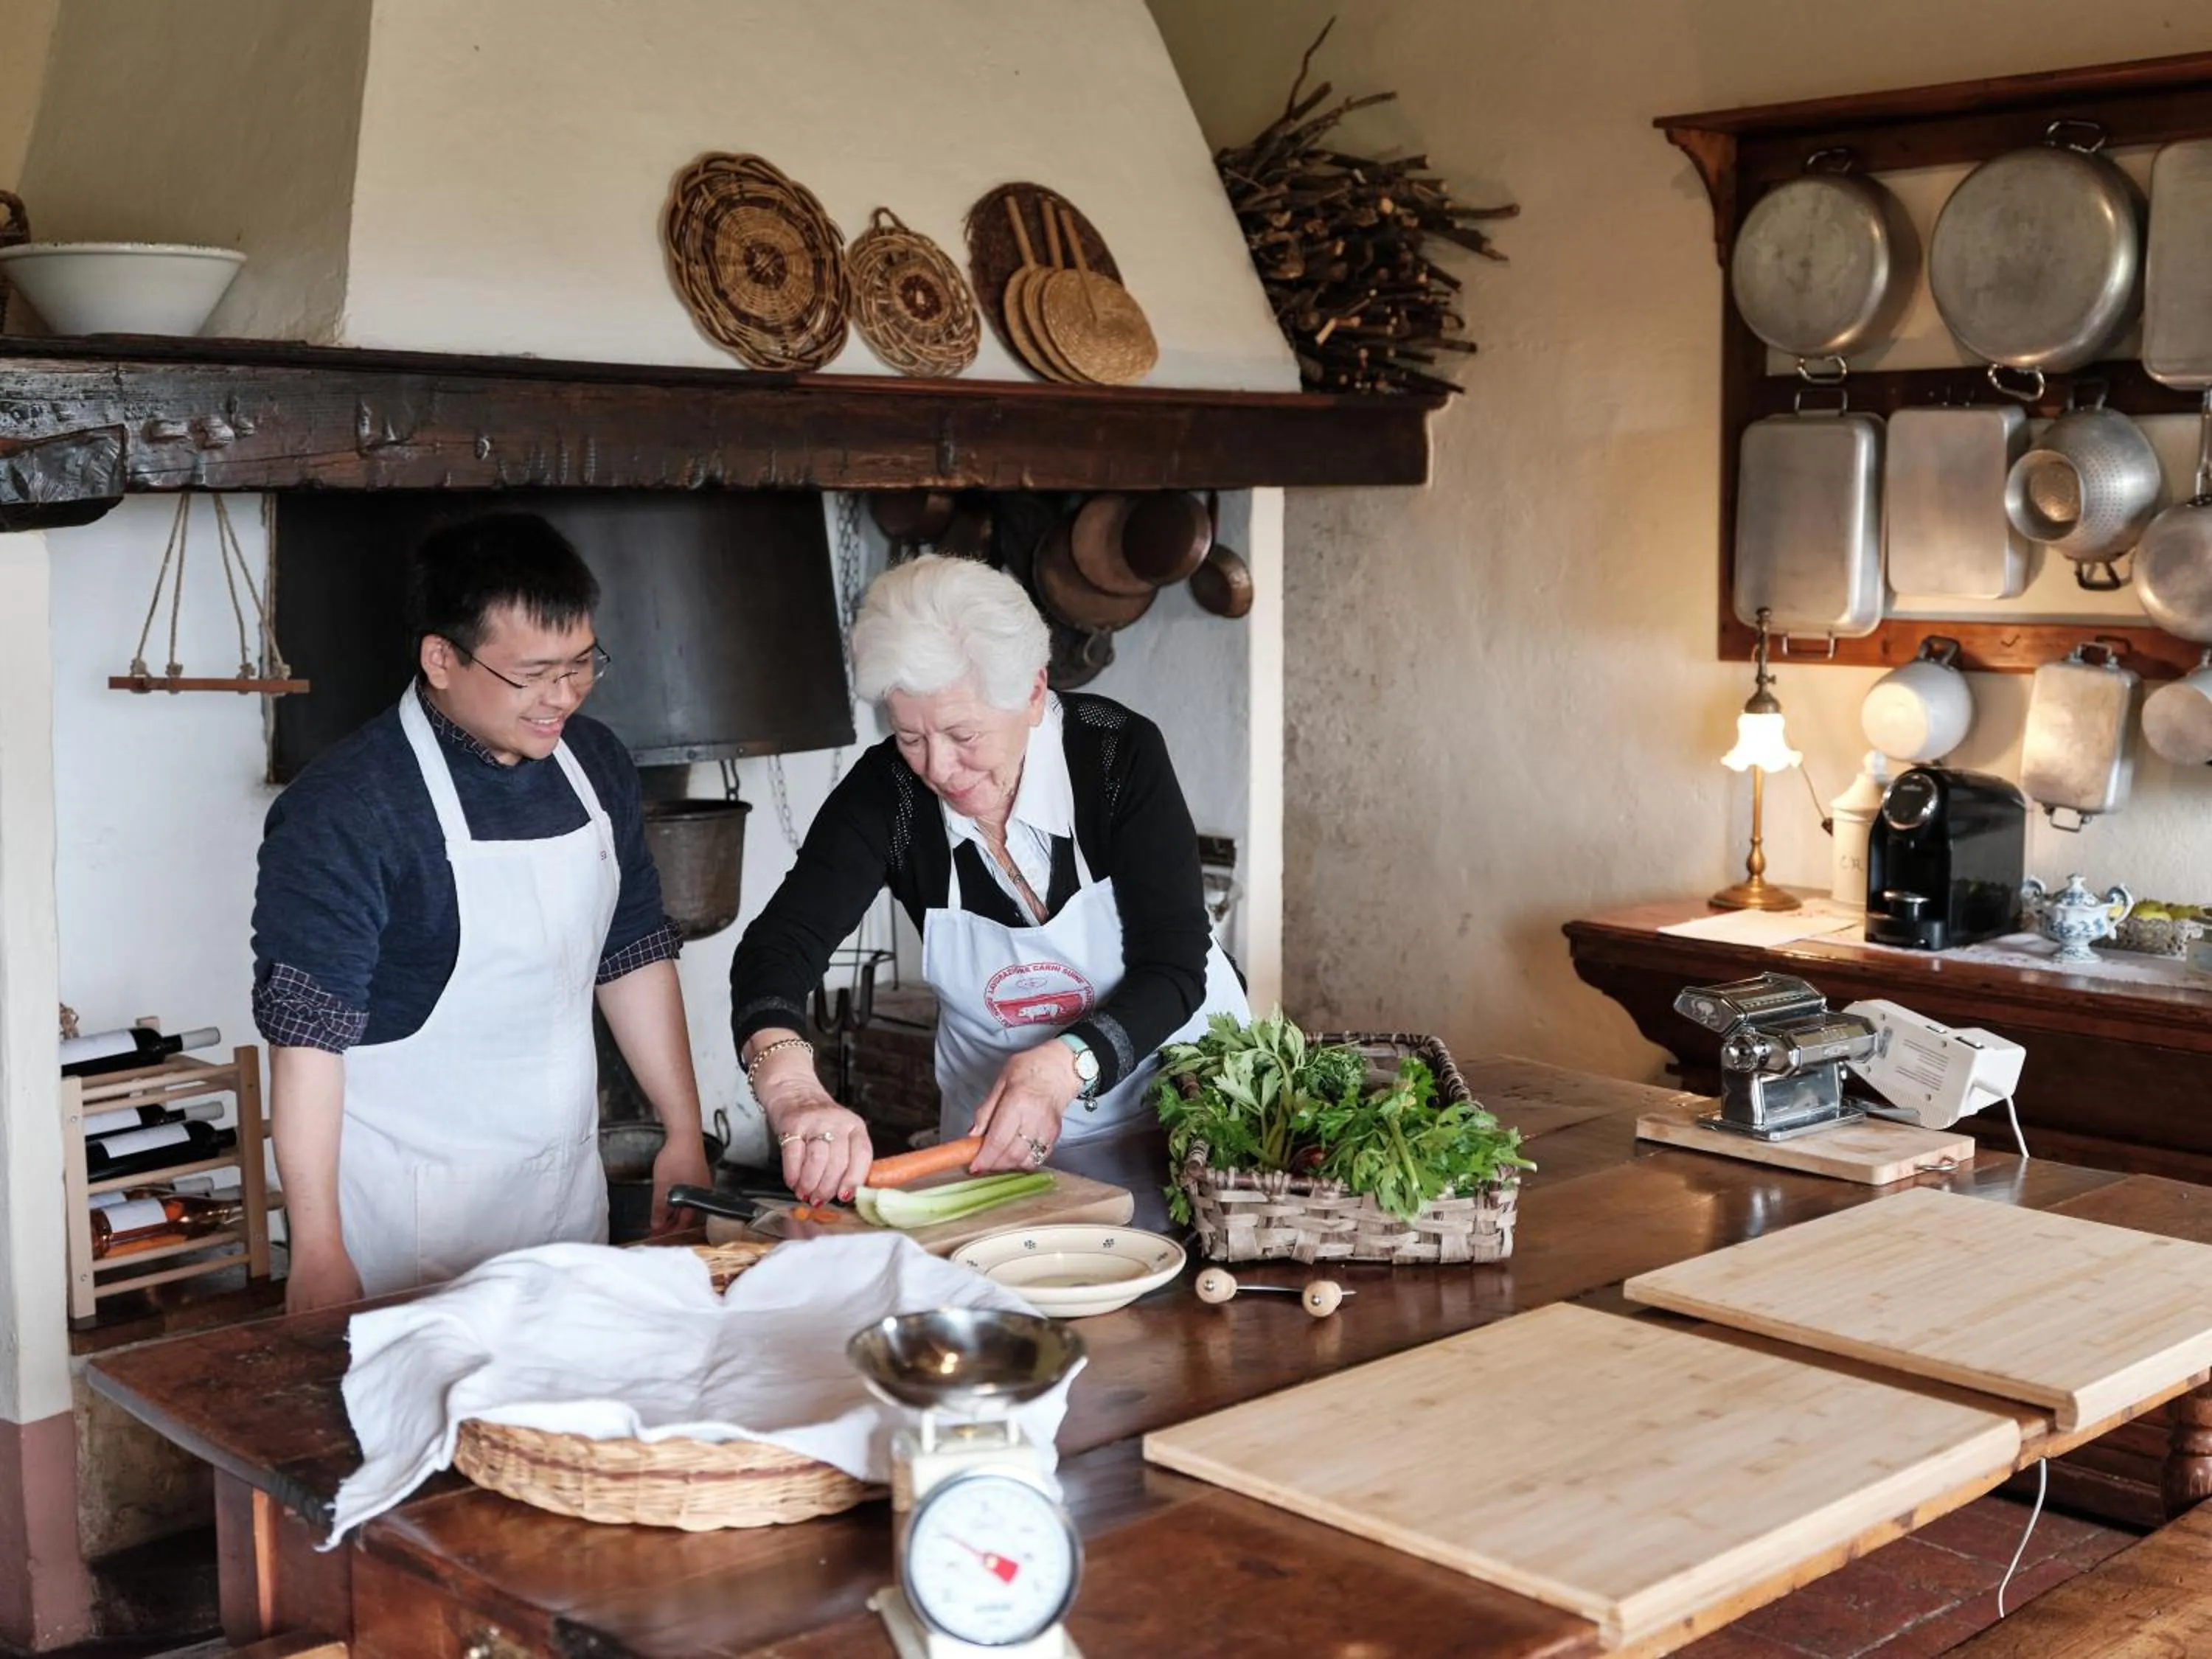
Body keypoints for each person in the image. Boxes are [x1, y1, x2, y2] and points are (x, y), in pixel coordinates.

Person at [251, 513, 709, 1312]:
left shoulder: (595, 762)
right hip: (410, 1216)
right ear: (441, 658)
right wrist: (318, 1249)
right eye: (531, 674)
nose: (560, 697)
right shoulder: (347, 807)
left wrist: (682, 1130)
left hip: (564, 1188)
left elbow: (631, 950)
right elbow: (307, 1037)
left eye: (580, 666)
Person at [729, 554, 1247, 1227]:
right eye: (909, 736)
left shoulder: (1116, 758)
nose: (939, 767)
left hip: (1190, 1122)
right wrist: (794, 1090)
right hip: (999, 1156)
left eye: (963, 734)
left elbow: (1176, 967)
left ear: (1033, 693)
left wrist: (1060, 1072)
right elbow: (777, 948)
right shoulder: (889, 794)